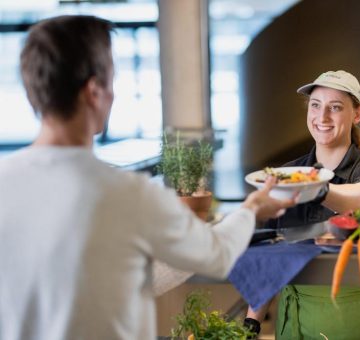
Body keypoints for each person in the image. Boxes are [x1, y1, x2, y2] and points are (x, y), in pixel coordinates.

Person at [0, 15, 296, 340]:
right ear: (94, 91)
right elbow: (216, 254)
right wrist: (252, 209)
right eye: (112, 79)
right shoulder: (127, 194)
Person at [244, 70, 360, 339]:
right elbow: (269, 258)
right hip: (295, 321)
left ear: (357, 114)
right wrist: (251, 325)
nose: (323, 117)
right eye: (316, 105)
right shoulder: (286, 175)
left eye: (336, 107)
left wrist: (316, 188)